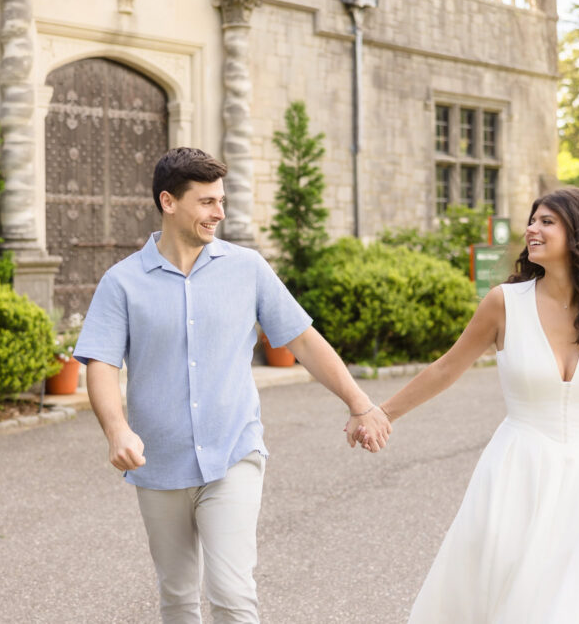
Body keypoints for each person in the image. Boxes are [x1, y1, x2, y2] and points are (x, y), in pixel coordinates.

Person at [73, 147, 391, 624]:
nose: (219, 213)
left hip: (233, 454)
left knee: (232, 593)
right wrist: (116, 431)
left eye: (221, 200)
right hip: (157, 463)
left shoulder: (248, 268)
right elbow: (99, 362)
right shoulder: (122, 282)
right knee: (178, 597)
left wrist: (359, 403)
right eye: (206, 202)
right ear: (168, 201)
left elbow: (302, 339)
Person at [363, 187, 579, 622]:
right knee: (509, 600)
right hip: (518, 472)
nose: (531, 228)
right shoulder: (503, 304)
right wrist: (381, 412)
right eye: (533, 220)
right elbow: (445, 368)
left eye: (547, 221)